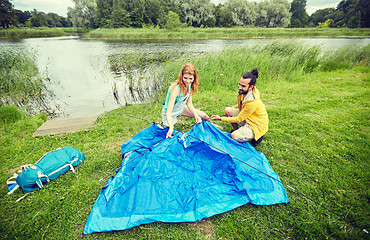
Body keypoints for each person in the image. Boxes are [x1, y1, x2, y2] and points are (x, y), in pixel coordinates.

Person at [211, 68, 268, 146]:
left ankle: (257, 136)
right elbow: (241, 105)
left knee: (234, 136)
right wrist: (231, 110)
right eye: (239, 84)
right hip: (249, 117)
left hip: (256, 124)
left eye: (243, 86)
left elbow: (239, 119)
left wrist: (220, 118)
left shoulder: (252, 101)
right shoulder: (244, 92)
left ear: (251, 87)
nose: (239, 87)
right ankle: (238, 131)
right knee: (228, 110)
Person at [162, 63, 211, 138]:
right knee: (169, 132)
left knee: (204, 116)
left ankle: (213, 127)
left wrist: (195, 115)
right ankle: (162, 125)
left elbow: (189, 104)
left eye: (190, 79)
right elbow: (168, 111)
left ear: (194, 78)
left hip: (181, 108)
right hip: (170, 112)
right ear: (181, 76)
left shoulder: (190, 85)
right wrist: (171, 127)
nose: (188, 81)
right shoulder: (175, 89)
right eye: (185, 78)